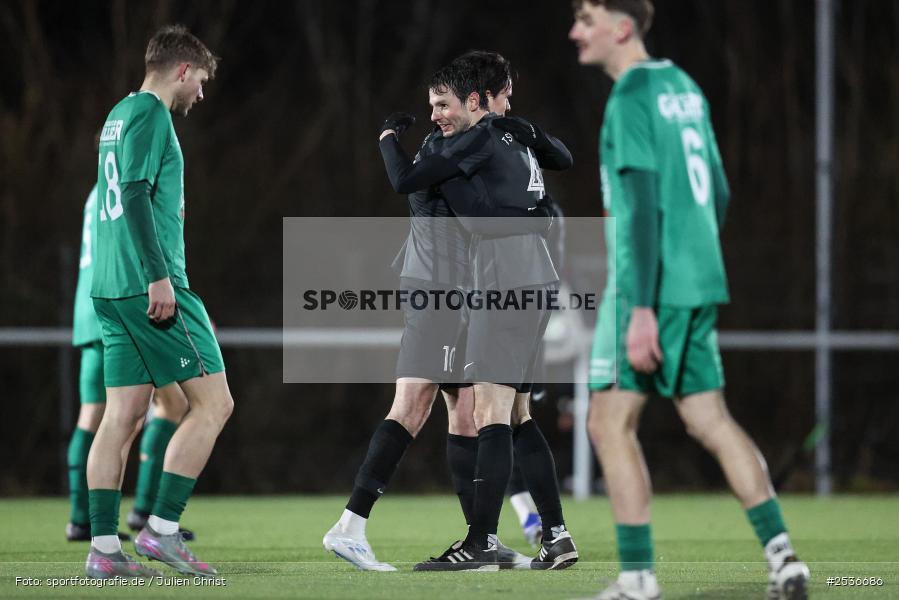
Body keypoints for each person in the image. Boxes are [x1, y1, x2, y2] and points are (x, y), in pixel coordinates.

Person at [569, 2, 810, 598]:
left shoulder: (630, 96)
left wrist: (642, 308)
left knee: (608, 422)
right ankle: (783, 558)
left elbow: (642, 206)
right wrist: (691, 255)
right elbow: (718, 190)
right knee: (709, 419)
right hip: (698, 279)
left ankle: (637, 578)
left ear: (622, 27)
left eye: (587, 19)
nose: (576, 32)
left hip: (644, 289)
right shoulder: (684, 86)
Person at [377, 54, 576, 572]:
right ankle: (555, 535)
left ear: (473, 100)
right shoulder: (517, 136)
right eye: (506, 92)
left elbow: (439, 195)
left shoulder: (479, 138)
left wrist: (394, 143)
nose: (438, 118)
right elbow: (561, 158)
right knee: (518, 414)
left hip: (503, 279)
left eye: (445, 105)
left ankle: (481, 541)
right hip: (537, 275)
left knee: (489, 412)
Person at [85, 25, 232, 579]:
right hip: (148, 285)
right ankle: (163, 531)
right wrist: (158, 277)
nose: (202, 93)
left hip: (108, 287)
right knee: (214, 405)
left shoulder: (118, 113)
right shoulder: (151, 113)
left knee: (121, 417)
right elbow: (134, 194)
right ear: (183, 70)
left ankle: (104, 550)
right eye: (202, 81)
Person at [67, 181, 193, 543]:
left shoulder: (95, 192)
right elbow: (149, 244)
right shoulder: (133, 185)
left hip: (89, 307)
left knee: (94, 414)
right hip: (125, 303)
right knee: (171, 405)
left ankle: (82, 520)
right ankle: (148, 512)